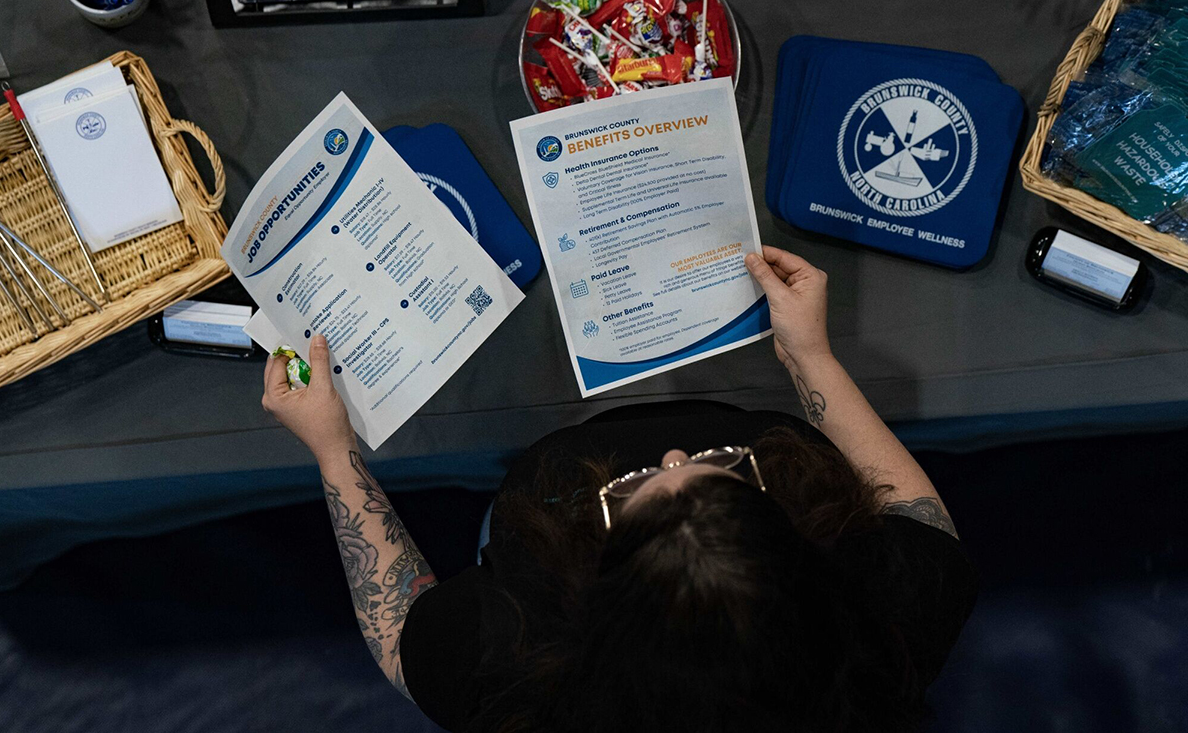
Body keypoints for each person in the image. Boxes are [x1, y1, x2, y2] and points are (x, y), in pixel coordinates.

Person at [261, 246, 976, 733]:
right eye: (727, 471)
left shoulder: (517, 673)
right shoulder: (893, 623)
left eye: (637, 492)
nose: (671, 455)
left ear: (594, 596)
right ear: (807, 557)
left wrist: (334, 454)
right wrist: (809, 356)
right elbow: (919, 518)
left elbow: (400, 636)